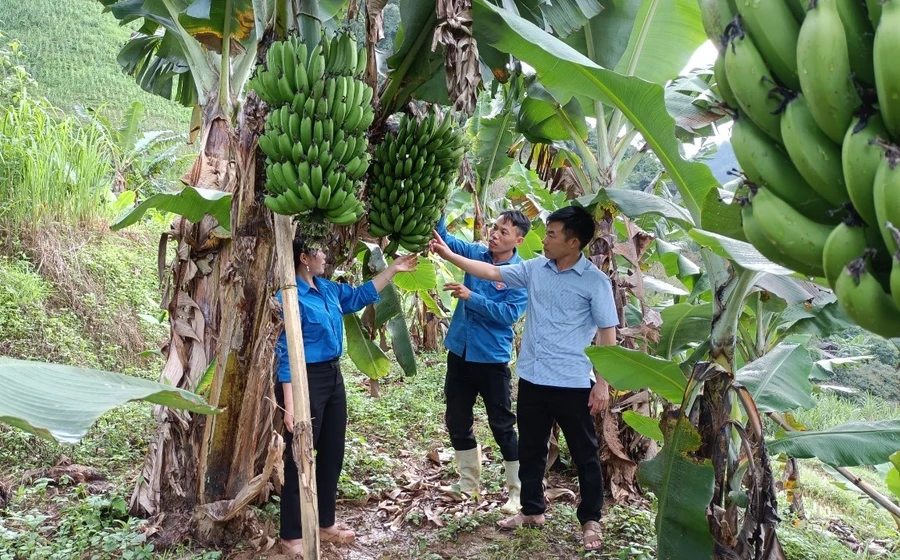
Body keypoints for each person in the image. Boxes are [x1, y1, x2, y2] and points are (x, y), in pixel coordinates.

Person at [428, 205, 618, 553]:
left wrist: (602, 382)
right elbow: (487, 270)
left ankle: (591, 520)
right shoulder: (535, 269)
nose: (544, 240)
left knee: (584, 453)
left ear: (573, 242)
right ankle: (532, 511)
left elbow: (607, 333)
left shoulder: (595, 282)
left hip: (573, 380)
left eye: (551, 235)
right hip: (532, 376)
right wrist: (448, 254)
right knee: (531, 447)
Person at [274, 237, 418, 556]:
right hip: (303, 379)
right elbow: (284, 352)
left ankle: (325, 523)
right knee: (300, 455)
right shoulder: (289, 295)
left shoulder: (327, 289)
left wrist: (393, 269)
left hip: (333, 377)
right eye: (320, 251)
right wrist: (290, 403)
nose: (326, 255)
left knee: (332, 451)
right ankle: (291, 535)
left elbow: (361, 295)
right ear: (304, 258)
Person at [435, 211, 530, 512]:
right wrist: (438, 209)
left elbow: (508, 316)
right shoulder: (477, 253)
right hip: (460, 353)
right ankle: (468, 485)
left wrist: (470, 296)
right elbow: (446, 242)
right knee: (457, 420)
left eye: (503, 232)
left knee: (502, 425)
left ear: (518, 240)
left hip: (491, 359)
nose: (494, 234)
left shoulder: (520, 275)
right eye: (494, 228)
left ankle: (517, 491)